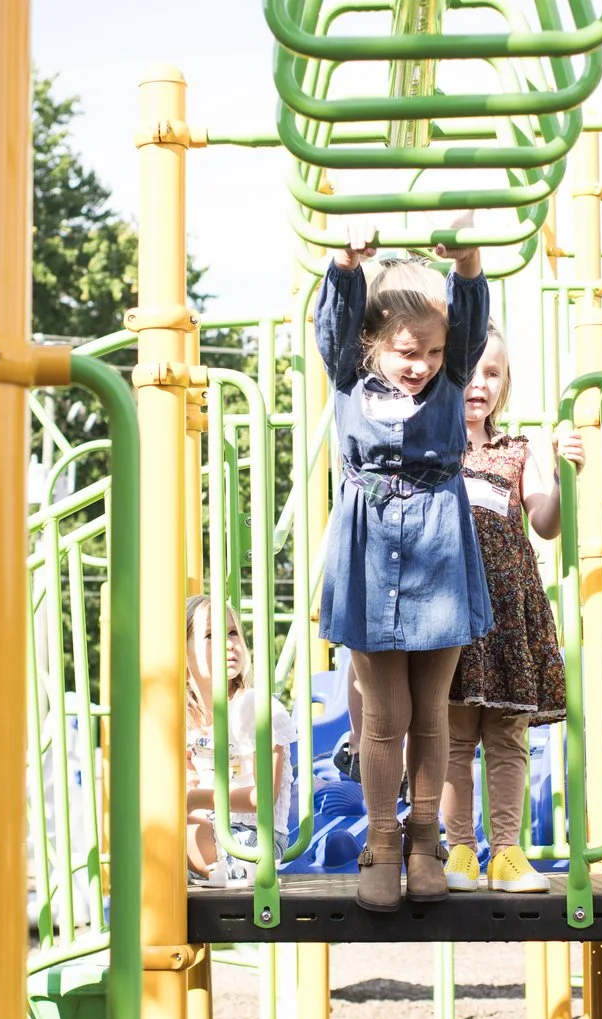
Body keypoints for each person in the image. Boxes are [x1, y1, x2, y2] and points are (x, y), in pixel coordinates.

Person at [314, 235, 492, 911]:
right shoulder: (347, 376)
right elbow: (332, 319)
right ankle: (382, 839)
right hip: (368, 545)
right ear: (372, 344)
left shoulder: (448, 381)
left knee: (431, 710)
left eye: (434, 353)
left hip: (439, 541)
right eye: (406, 351)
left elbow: (469, 321)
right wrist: (345, 265)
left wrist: (468, 263)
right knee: (385, 712)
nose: (421, 365)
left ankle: (426, 838)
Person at [441, 326, 581, 892]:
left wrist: (565, 474)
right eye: (469, 372)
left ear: (505, 384)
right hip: (449, 609)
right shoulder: (432, 449)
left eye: (492, 373)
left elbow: (545, 523)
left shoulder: (519, 451)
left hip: (507, 611)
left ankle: (505, 851)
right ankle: (458, 851)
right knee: (451, 735)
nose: (479, 383)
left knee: (506, 735)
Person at [183, 595, 292, 886]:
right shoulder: (186, 719)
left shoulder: (257, 709)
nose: (229, 644)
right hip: (210, 828)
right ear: (183, 654)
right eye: (211, 636)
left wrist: (196, 799)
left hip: (256, 838)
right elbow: (185, 785)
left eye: (232, 633)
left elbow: (262, 797)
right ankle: (210, 873)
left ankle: (219, 872)